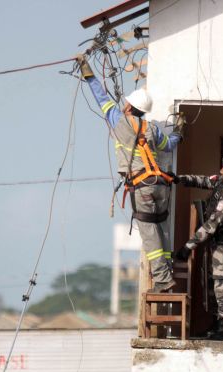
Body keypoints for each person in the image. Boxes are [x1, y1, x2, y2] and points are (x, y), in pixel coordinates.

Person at [77, 56, 184, 293]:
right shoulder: (152, 128)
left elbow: (101, 97)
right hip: (161, 185)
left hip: (142, 186)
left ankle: (164, 281)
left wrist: (88, 73)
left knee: (149, 235)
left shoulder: (118, 120)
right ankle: (166, 272)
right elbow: (169, 144)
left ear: (128, 106)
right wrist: (179, 131)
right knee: (161, 230)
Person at [172, 156, 223, 340]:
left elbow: (212, 224)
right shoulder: (221, 182)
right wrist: (177, 178)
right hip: (217, 242)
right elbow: (204, 180)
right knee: (212, 284)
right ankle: (215, 326)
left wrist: (188, 247)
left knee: (222, 285)